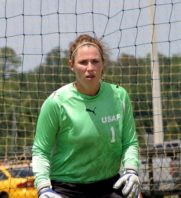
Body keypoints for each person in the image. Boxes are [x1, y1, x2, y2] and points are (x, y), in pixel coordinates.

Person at [32, 34, 140, 198]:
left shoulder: (119, 96)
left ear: (103, 64)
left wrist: (131, 169)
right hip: (66, 188)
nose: (90, 67)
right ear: (71, 65)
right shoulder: (56, 103)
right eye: (83, 62)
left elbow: (130, 142)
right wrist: (43, 188)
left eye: (95, 61)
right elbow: (40, 151)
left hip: (109, 185)